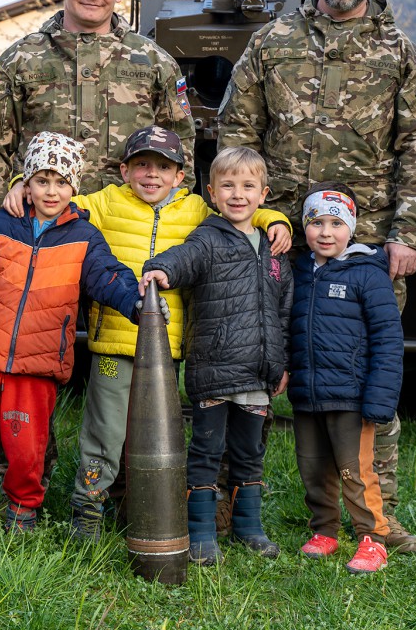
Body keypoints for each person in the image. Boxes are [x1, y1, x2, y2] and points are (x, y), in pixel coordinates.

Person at [218, 0, 416, 552]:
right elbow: (237, 133)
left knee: (367, 378)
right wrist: (252, 216)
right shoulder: (272, 44)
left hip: (363, 250)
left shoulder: (401, 55)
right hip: (276, 241)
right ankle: (236, 499)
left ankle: (378, 515)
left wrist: (407, 232)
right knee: (250, 368)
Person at [0, 126, 291, 540]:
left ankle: (146, 506)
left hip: (166, 350)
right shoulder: (105, 202)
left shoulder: (195, 210)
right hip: (114, 343)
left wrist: (274, 218)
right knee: (104, 432)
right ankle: (88, 507)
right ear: (124, 170)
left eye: (163, 167)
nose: (152, 174)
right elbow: (55, 196)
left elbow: (240, 213)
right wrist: (19, 184)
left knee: (156, 437)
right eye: (142, 165)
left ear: (180, 177)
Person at [0, 131, 140, 540]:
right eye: (42, 180)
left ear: (74, 188)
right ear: (26, 183)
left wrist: (138, 303)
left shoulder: (84, 237)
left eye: (61, 182)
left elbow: (108, 277)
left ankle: (22, 511)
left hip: (39, 362)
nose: (51, 191)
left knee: (27, 448)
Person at [140, 147, 292, 565]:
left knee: (250, 454)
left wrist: (283, 363)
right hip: (214, 369)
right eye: (227, 186)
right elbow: (183, 258)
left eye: (248, 186)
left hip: (258, 373)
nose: (237, 194)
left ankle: (249, 527)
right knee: (206, 453)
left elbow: (284, 312)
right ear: (212, 192)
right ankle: (202, 532)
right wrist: (161, 268)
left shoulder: (274, 250)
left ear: (263, 194)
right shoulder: (207, 238)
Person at [0, 0, 196, 219]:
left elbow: (180, 143)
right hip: (40, 222)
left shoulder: (154, 61)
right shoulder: (21, 59)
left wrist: (169, 219)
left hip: (128, 224)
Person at [290, 184, 403, 574]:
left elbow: (388, 338)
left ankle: (373, 539)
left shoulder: (367, 274)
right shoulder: (301, 271)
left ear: (351, 228)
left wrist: (380, 398)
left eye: (336, 224)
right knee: (313, 468)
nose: (326, 232)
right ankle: (325, 530)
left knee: (355, 471)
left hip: (352, 395)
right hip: (308, 392)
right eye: (316, 223)